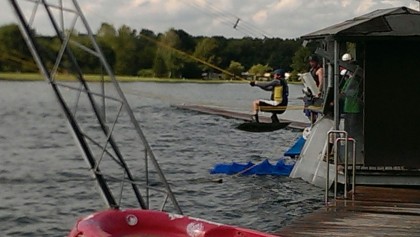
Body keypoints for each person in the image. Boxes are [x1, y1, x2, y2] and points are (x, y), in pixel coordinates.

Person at [304, 54, 324, 124]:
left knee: (314, 111)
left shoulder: (320, 70)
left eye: (313, 62)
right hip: (310, 93)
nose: (311, 63)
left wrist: (318, 92)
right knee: (307, 111)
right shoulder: (311, 70)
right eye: (310, 62)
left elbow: (321, 82)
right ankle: (312, 123)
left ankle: (315, 123)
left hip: (316, 94)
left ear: (316, 62)